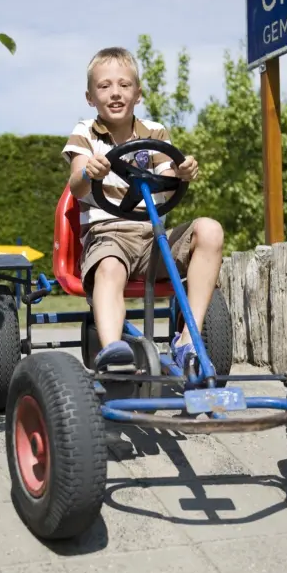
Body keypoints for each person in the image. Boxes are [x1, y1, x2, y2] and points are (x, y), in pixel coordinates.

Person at [62, 46, 224, 372]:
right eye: (104, 86)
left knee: (210, 229)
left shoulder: (155, 131)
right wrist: (86, 172)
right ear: (90, 96)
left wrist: (181, 172)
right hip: (108, 234)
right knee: (108, 266)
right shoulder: (85, 133)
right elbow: (76, 186)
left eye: (124, 85)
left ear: (138, 93)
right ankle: (115, 353)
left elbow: (165, 175)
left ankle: (188, 341)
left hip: (154, 238)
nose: (115, 93)